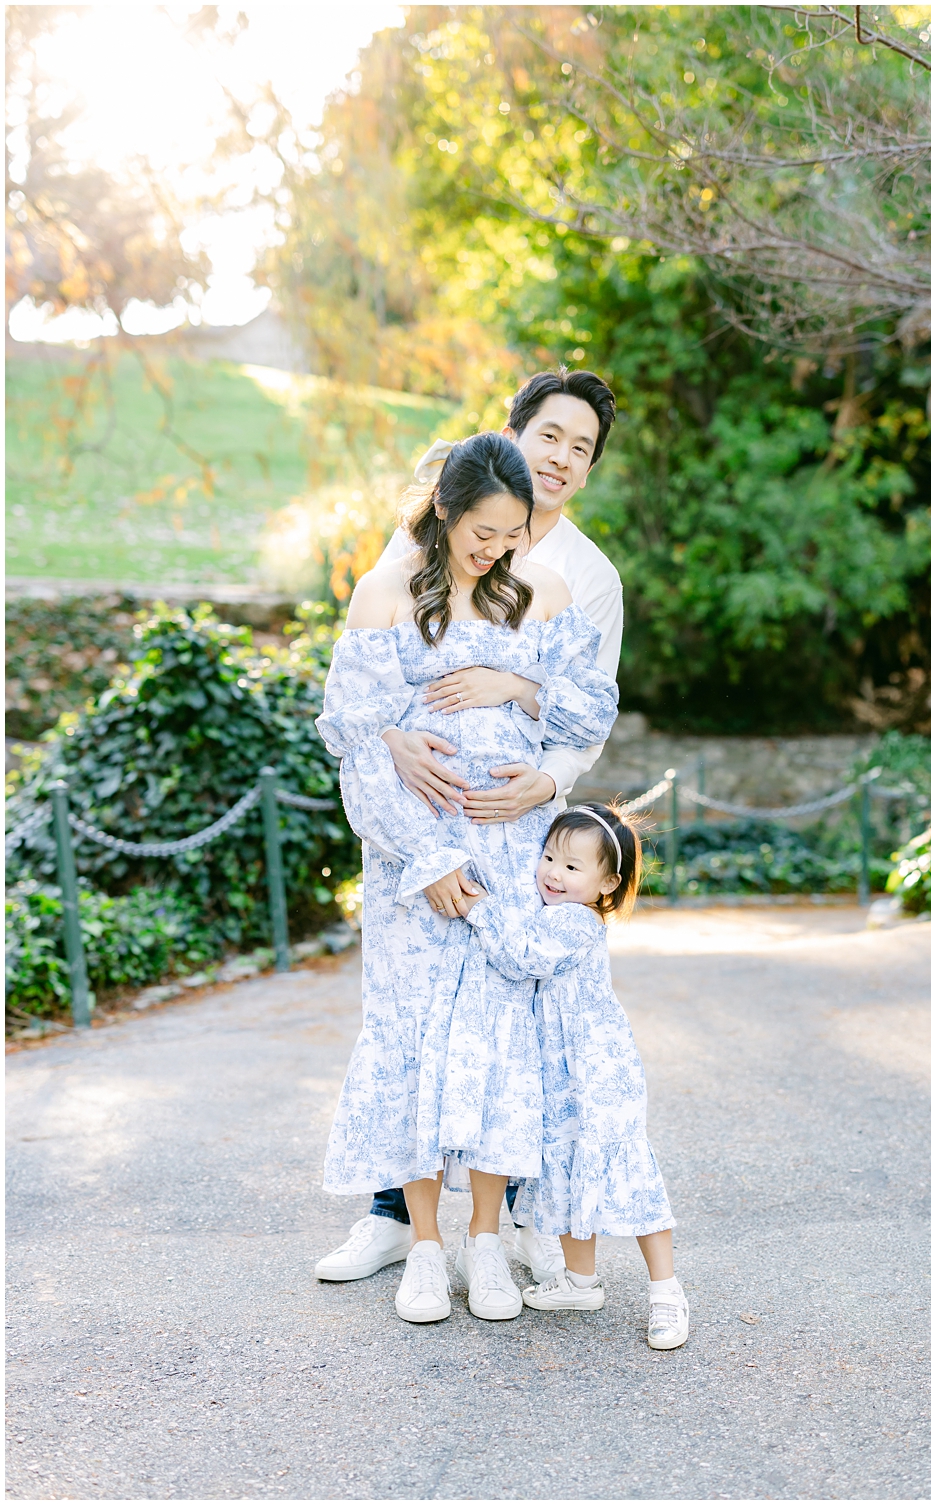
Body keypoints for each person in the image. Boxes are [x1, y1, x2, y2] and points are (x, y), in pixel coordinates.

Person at [318, 368, 624, 1287]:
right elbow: (356, 724)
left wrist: (520, 698)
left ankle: (492, 1237)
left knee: (504, 1042)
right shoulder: (393, 583)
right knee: (408, 1035)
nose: (495, 549)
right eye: (481, 532)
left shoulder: (561, 587)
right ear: (449, 510)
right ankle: (413, 1237)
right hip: (416, 854)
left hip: (510, 841)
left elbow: (588, 709)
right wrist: (416, 815)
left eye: (511, 533)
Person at [459, 802, 688, 1352]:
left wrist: (480, 909)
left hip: (596, 1069)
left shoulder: (575, 921)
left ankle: (666, 1291)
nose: (552, 873)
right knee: (564, 1166)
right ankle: (580, 1282)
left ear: (607, 883)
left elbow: (522, 957)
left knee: (623, 1167)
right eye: (548, 857)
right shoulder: (553, 912)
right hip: (563, 1071)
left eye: (571, 866)